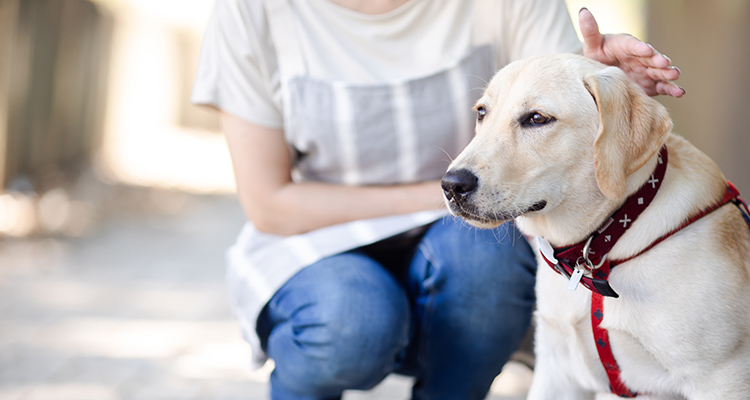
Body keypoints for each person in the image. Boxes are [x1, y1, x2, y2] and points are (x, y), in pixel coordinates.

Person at [191, 1, 683, 399]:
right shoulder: (249, 12)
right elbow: (269, 204)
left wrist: (607, 85)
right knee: (352, 322)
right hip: (312, 237)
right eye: (482, 110)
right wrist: (451, 191)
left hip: (463, 227)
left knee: (487, 270)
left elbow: (561, 104)